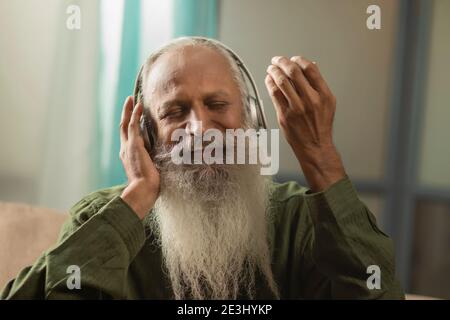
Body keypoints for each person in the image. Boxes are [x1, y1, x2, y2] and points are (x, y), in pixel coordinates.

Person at [1, 37, 404, 299]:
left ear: (247, 119)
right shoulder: (102, 217)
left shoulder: (300, 218)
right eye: (175, 112)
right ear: (146, 134)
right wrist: (138, 195)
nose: (199, 129)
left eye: (216, 105)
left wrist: (321, 159)